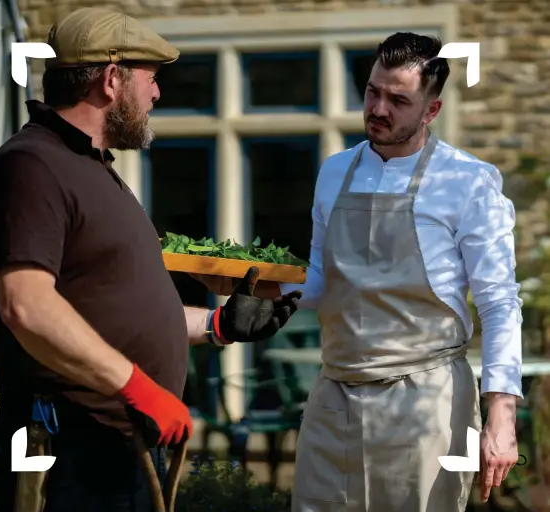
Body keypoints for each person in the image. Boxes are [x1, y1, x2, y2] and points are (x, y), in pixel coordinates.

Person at [0, 7, 302, 512]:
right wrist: (137, 387)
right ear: (111, 80)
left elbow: (111, 310)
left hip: (114, 449)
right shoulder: (32, 165)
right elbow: (26, 305)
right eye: (150, 80)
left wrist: (217, 324)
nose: (156, 95)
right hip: (67, 450)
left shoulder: (96, 171)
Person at [196, 32, 523, 511]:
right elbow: (325, 281)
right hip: (334, 395)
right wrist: (244, 285)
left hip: (425, 400)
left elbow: (500, 303)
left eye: (398, 100)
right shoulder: (334, 171)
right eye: (373, 92)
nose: (379, 108)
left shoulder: (468, 182)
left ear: (430, 111)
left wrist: (501, 415)